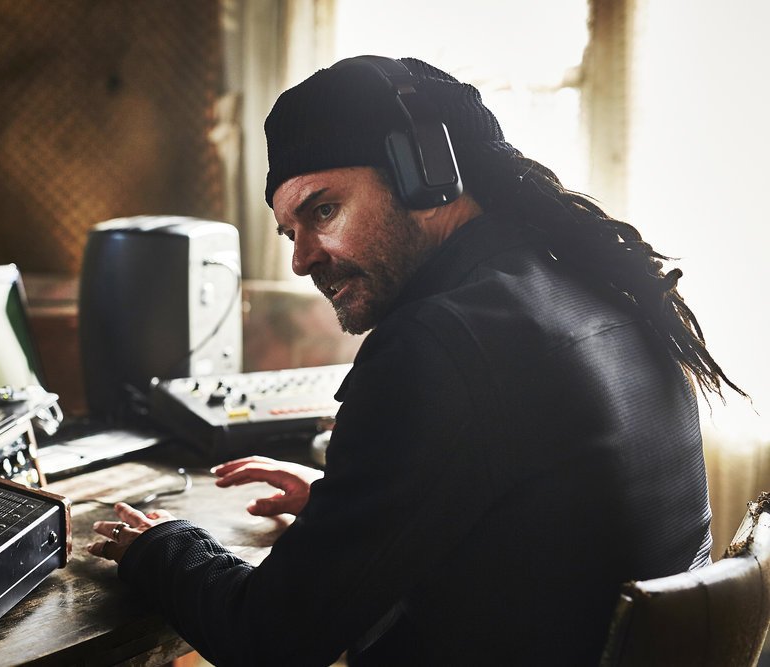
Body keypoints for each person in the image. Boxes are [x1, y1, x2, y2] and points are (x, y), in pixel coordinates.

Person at [87, 55, 744, 665]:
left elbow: (267, 637)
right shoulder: (598, 288)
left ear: (428, 177)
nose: (301, 258)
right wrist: (341, 506)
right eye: (290, 231)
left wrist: (162, 547)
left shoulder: (437, 345)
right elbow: (544, 526)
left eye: (323, 210)